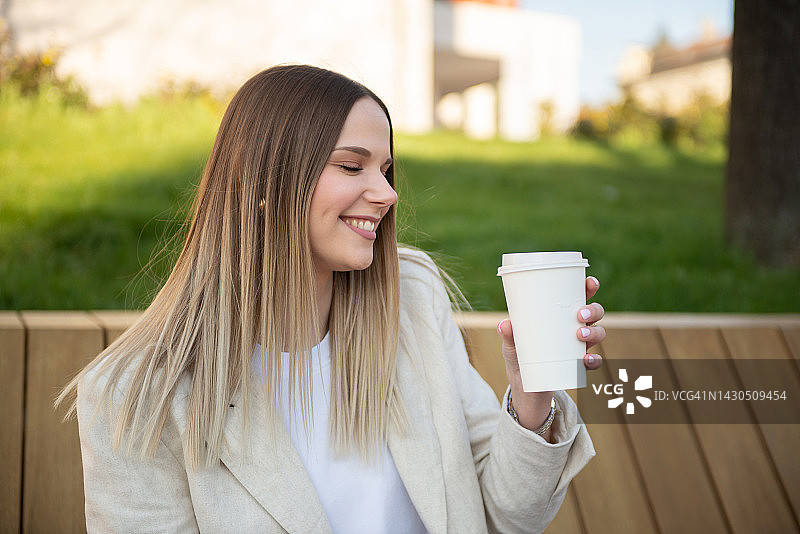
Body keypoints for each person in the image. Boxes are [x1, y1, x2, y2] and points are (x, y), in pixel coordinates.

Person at [58, 64, 605, 534]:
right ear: (266, 181)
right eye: (351, 165)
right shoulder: (134, 398)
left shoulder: (412, 298)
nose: (387, 193)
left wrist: (532, 398)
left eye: (385, 170)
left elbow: (504, 516)